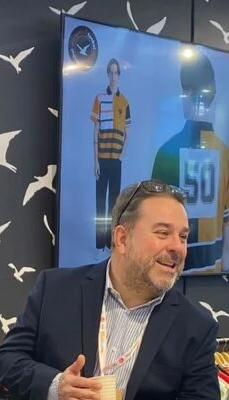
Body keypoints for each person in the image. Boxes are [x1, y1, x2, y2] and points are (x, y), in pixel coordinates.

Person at [0, 180, 221, 400]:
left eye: (183, 237)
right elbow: (7, 360)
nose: (178, 247)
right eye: (163, 233)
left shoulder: (195, 325)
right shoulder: (56, 288)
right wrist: (56, 388)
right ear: (122, 238)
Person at [152, 51, 229, 273]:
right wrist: (225, 272)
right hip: (213, 275)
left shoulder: (166, 153)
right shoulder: (227, 156)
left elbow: (155, 227)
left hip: (171, 276)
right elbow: (228, 234)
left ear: (188, 92)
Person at [91, 58, 131, 255]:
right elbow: (95, 130)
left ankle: (110, 243)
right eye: (111, 72)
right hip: (102, 159)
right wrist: (95, 161)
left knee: (114, 204)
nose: (114, 76)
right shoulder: (99, 98)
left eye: (116, 72)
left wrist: (121, 156)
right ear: (107, 74)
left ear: (119, 75)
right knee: (100, 202)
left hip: (116, 160)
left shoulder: (124, 101)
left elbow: (128, 132)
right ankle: (99, 244)